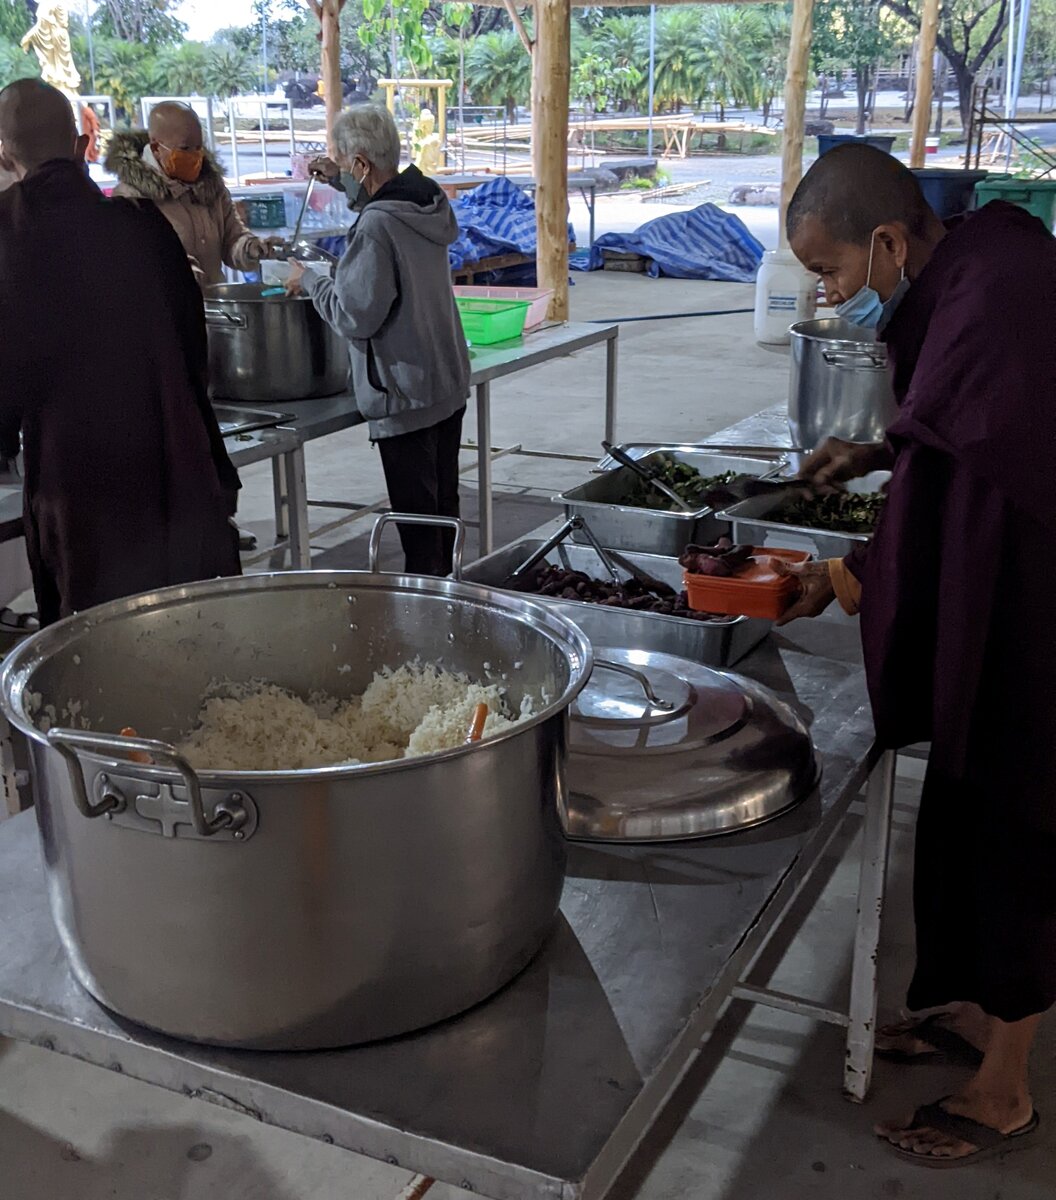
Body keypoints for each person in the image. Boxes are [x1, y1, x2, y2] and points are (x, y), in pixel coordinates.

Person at [780, 143, 1056, 1168]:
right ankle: (981, 1019)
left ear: (890, 242)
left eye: (832, 274)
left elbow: (962, 523)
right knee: (966, 816)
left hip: (1034, 607)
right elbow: (976, 422)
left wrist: (850, 580)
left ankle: (1002, 1091)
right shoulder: (989, 254)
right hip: (1022, 553)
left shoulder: (985, 301)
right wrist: (888, 443)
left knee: (1018, 822)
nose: (828, 296)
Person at [0, 80, 241, 626]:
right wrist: (215, 467)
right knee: (187, 637)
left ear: (5, 153)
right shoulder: (142, 227)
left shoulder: (8, 231)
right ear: (81, 142)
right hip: (171, 473)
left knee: (96, 653)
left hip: (77, 492)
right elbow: (192, 354)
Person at [287, 105, 470, 577]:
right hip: (445, 380)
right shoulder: (426, 201)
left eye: (346, 164)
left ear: (363, 164)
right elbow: (377, 195)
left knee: (418, 532)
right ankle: (452, 605)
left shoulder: (376, 227)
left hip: (404, 392)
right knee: (442, 516)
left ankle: (427, 625)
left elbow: (355, 314)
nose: (343, 173)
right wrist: (336, 177)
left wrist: (308, 280)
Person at [106, 102, 283, 287]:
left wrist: (251, 248)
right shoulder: (131, 197)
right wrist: (180, 270)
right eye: (185, 148)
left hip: (215, 305)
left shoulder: (211, 186)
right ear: (157, 148)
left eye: (199, 147)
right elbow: (136, 260)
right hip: (166, 310)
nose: (195, 156)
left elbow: (232, 239)